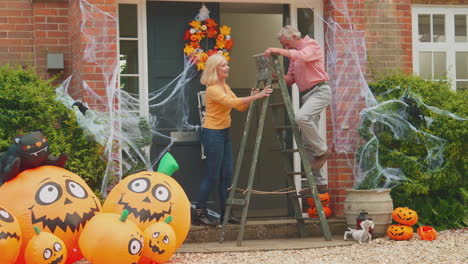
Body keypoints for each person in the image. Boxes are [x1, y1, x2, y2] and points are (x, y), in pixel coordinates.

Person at [193, 54, 273, 226]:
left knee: (227, 175)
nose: (228, 68)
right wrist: (256, 97)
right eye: (223, 66)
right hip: (212, 133)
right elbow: (232, 102)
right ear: (215, 69)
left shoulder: (224, 85)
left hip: (223, 133)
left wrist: (251, 98)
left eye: (227, 64)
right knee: (212, 175)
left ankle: (226, 214)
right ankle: (199, 213)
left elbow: (240, 106)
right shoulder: (212, 88)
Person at [265, 25, 333, 195]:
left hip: (320, 90)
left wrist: (278, 51)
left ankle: (323, 151)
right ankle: (320, 183)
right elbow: (290, 80)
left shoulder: (312, 46)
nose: (286, 48)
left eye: (286, 44)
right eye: (284, 46)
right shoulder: (294, 55)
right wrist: (276, 74)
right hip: (307, 95)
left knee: (301, 117)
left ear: (295, 36)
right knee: (307, 140)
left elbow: (303, 56)